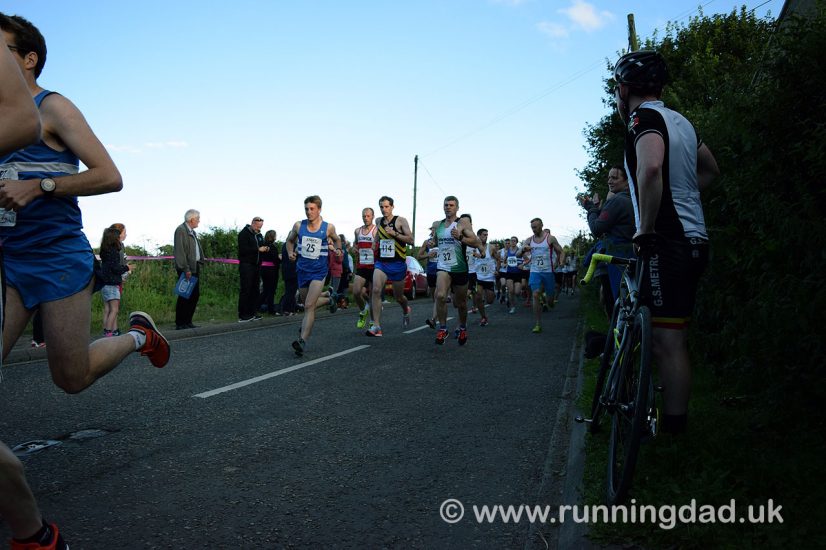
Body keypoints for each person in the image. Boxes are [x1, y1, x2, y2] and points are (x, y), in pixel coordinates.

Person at [0, 15, 168, 550]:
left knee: (70, 378)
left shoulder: (52, 107)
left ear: (27, 58)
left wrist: (42, 184)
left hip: (58, 259)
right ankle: (31, 531)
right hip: (7, 262)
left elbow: (109, 175)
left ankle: (140, 336)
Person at [613, 50, 719, 434]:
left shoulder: (644, 119)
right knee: (672, 336)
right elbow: (710, 169)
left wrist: (648, 227)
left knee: (667, 343)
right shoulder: (683, 122)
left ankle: (673, 435)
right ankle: (668, 426)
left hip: (666, 242)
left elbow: (652, 165)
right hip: (693, 239)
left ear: (624, 89)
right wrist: (685, 199)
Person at [285, 195, 342, 355]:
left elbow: (337, 240)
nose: (308, 212)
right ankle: (330, 300)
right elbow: (289, 241)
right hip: (302, 270)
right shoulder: (298, 225)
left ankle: (302, 341)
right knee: (306, 304)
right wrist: (290, 252)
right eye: (306, 209)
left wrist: (338, 250)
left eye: (312, 209)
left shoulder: (328, 227)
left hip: (319, 271)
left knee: (309, 306)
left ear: (319, 209)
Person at [579, 164, 635, 317]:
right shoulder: (634, 201)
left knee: (617, 302)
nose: (610, 181)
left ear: (627, 181)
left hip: (616, 257)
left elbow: (597, 228)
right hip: (631, 254)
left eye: (615, 178)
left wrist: (591, 208)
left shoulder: (617, 201)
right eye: (609, 177)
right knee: (629, 298)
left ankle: (618, 336)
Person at [430, 196, 484, 345]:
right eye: (446, 205)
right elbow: (434, 241)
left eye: (451, 205)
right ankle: (443, 328)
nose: (448, 207)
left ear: (457, 208)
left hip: (460, 267)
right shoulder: (438, 224)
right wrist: (431, 243)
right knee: (440, 296)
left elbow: (475, 242)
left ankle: (462, 327)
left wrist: (460, 237)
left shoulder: (463, 222)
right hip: (443, 266)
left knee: (460, 303)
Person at [366, 196, 414, 337]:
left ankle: (406, 309)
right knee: (375, 290)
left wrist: (395, 234)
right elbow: (379, 235)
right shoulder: (378, 221)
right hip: (382, 262)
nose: (384, 209)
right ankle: (376, 326)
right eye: (381, 207)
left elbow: (411, 239)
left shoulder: (400, 221)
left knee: (398, 296)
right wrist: (375, 242)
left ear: (392, 207)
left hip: (398, 263)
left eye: (387, 206)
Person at [518, 218, 565, 333]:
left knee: (550, 301)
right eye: (532, 227)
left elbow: (562, 251)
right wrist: (523, 249)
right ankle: (538, 324)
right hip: (535, 271)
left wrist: (561, 262)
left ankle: (550, 301)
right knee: (535, 294)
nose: (534, 230)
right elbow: (518, 254)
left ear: (542, 225)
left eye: (536, 227)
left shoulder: (550, 238)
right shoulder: (529, 240)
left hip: (548, 272)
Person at [173, 209, 203, 329]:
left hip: (194, 266)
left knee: (194, 295)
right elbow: (180, 251)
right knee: (185, 295)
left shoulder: (192, 231)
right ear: (192, 219)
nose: (199, 221)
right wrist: (186, 269)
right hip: (187, 268)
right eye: (198, 219)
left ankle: (188, 321)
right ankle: (180, 322)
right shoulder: (181, 230)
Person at [99, 226, 130, 336]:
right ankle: (109, 331)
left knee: (108, 308)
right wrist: (127, 268)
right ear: (114, 238)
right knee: (115, 310)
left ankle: (110, 330)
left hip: (104, 284)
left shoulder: (105, 251)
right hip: (112, 284)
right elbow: (115, 268)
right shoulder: (114, 252)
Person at [237, 216, 266, 322]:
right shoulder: (243, 234)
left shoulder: (259, 235)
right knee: (246, 289)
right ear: (253, 223)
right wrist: (257, 249)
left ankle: (252, 312)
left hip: (257, 265)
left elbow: (262, 246)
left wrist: (265, 248)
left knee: (255, 290)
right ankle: (243, 314)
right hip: (247, 265)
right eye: (258, 227)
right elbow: (243, 250)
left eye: (261, 227)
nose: (259, 229)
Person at [472, 228, 498, 326]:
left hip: (489, 277)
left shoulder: (491, 247)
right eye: (484, 235)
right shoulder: (473, 247)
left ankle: (494, 293)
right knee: (478, 296)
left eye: (487, 235)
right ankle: (483, 317)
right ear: (478, 236)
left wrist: (497, 270)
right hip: (478, 276)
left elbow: (498, 259)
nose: (486, 236)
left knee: (490, 301)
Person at [416, 231, 439, 329]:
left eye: (436, 229)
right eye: (433, 229)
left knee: (439, 296)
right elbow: (419, 256)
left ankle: (434, 319)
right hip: (431, 272)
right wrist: (428, 255)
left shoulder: (445, 242)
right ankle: (438, 317)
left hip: (442, 272)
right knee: (435, 298)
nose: (434, 232)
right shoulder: (427, 242)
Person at [258, 229, 281, 315]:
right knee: (271, 290)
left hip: (263, 270)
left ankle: (256, 306)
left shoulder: (263, 246)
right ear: (272, 237)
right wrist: (280, 259)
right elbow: (275, 260)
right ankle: (271, 310)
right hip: (271, 271)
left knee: (265, 290)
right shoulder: (272, 247)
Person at [279, 239, 298, 316]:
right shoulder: (295, 246)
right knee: (291, 291)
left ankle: (290, 309)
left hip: (285, 271)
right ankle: (287, 309)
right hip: (293, 271)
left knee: (288, 290)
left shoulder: (284, 245)